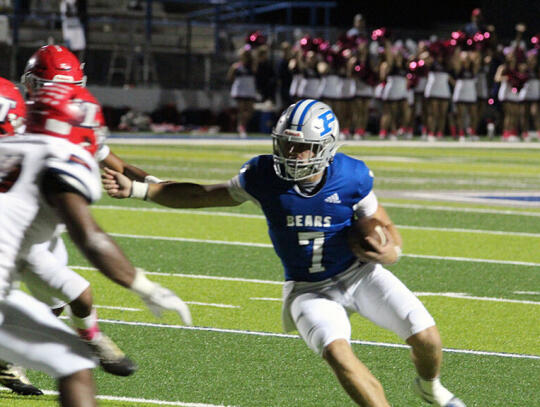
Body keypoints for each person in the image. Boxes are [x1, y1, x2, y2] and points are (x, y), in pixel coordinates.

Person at [103, 99, 465, 407]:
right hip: (308, 289)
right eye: (286, 144)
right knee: (339, 354)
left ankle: (429, 389)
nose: (290, 154)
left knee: (428, 338)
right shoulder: (262, 175)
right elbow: (201, 194)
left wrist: (389, 251)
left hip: (359, 274)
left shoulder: (352, 175)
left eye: (301, 147)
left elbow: (381, 223)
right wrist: (138, 190)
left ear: (326, 147)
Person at [0, 81, 191, 407]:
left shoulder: (13, 147)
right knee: (74, 361)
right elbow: (90, 237)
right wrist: (144, 286)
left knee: (73, 357)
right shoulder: (58, 159)